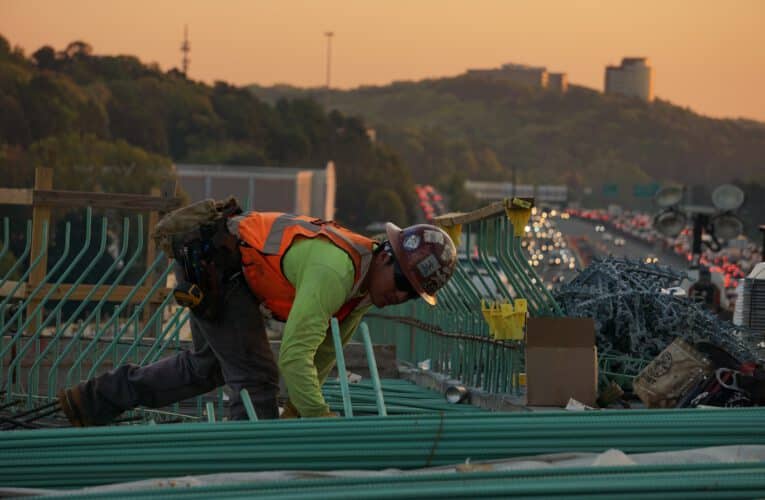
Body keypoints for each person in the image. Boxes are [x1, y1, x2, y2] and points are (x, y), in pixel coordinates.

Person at [58, 208, 457, 425]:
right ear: (387, 253)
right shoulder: (337, 272)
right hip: (219, 268)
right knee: (256, 379)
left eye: (412, 295)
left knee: (207, 369)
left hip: (226, 269)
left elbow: (321, 358)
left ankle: (92, 401)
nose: (400, 295)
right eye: (402, 281)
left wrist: (296, 415)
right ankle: (249, 474)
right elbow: (294, 357)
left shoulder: (364, 291)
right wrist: (322, 423)